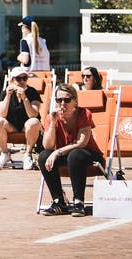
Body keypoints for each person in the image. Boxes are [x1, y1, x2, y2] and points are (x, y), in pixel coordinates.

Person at [37, 83, 105, 217]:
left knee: (75, 155)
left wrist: (57, 152)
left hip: (88, 155)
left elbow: (81, 143)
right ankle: (59, 202)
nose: (62, 103)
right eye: (59, 100)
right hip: (66, 156)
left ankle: (78, 202)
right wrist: (52, 124)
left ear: (75, 101)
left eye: (66, 100)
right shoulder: (52, 117)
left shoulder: (84, 114)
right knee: (44, 156)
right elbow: (48, 146)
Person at [0, 66, 42, 170]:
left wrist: (24, 97)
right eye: (18, 78)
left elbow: (33, 114)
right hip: (12, 127)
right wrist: (8, 96)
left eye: (24, 78)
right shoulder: (5, 92)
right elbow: (1, 114)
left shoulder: (32, 92)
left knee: (33, 121)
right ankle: (5, 153)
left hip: (28, 127)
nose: (22, 81)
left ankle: (28, 154)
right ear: (11, 80)